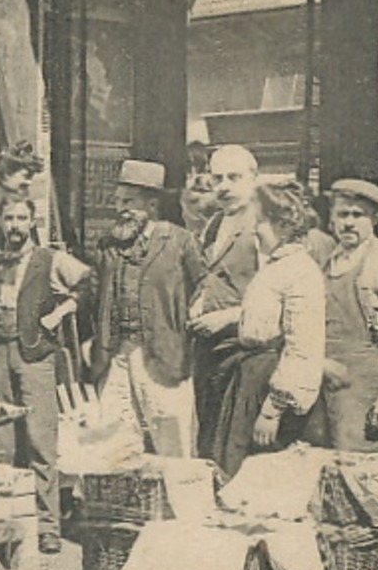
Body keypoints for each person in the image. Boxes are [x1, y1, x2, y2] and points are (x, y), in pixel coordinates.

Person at [0, 197, 93, 552]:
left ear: (32, 221)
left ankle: (47, 526)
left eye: (22, 218)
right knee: (3, 443)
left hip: (36, 355)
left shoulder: (50, 260)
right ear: (0, 222)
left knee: (40, 441)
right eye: (9, 218)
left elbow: (88, 283)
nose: (15, 226)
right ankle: (4, 526)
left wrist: (59, 314)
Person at [305, 179, 378, 544]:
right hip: (326, 391)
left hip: (370, 391)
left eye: (358, 215)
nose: (349, 223)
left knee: (373, 486)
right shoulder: (326, 264)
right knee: (329, 482)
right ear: (330, 219)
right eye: (342, 214)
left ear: (374, 220)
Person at [89, 159, 207, 458]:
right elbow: (93, 292)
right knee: (112, 439)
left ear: (151, 205)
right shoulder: (108, 244)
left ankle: (182, 502)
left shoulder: (180, 241)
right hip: (116, 354)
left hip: (163, 354)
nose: (120, 209)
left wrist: (194, 314)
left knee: (173, 440)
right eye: (117, 201)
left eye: (128, 202)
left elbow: (206, 285)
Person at [209, 180, 326, 478]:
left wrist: (273, 410)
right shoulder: (276, 266)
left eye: (260, 222)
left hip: (269, 385)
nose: (254, 230)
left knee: (261, 474)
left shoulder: (300, 271)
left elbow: (303, 347)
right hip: (250, 379)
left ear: (284, 225)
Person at [187, 144, 263, 456]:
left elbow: (284, 292)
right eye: (218, 178)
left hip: (245, 350)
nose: (224, 186)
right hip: (209, 349)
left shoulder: (263, 225)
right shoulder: (215, 224)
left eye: (234, 177)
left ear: (254, 178)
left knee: (234, 443)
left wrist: (230, 315)